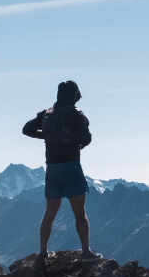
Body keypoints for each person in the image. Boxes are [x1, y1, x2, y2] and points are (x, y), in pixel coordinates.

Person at [22, 80, 101, 260]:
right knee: (79, 213)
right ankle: (86, 252)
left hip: (52, 169)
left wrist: (48, 136)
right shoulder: (75, 114)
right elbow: (86, 138)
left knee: (49, 214)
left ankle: (43, 253)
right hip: (71, 166)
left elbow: (26, 129)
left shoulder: (47, 113)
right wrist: (73, 141)